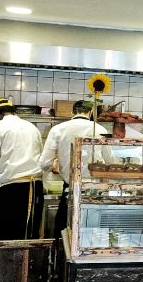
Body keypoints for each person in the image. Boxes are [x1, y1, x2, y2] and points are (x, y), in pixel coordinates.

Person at [39, 100, 109, 238]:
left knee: (66, 235)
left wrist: (54, 168)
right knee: (92, 235)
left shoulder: (58, 129)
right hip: (95, 191)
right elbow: (109, 161)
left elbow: (44, 162)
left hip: (70, 190)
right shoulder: (100, 129)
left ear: (72, 112)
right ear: (90, 113)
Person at [0, 98, 44, 239]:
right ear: (13, 111)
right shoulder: (32, 127)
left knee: (6, 233)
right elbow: (40, 154)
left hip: (12, 188)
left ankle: (6, 255)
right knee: (29, 233)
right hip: (35, 186)